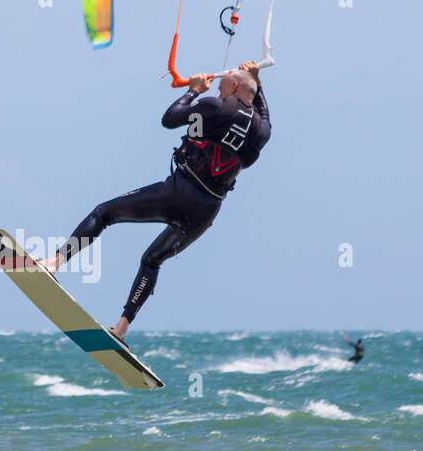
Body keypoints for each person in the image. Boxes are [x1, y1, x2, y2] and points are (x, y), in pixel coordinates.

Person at [42, 61, 272, 340]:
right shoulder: (261, 132)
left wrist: (193, 92)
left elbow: (170, 118)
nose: (219, 91)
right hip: (207, 212)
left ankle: (53, 263)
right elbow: (265, 115)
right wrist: (257, 81)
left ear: (234, 85)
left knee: (104, 213)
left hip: (179, 192)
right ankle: (121, 328)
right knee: (152, 260)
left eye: (223, 87)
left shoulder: (214, 106)